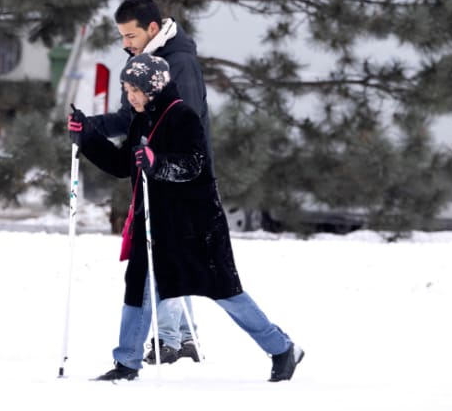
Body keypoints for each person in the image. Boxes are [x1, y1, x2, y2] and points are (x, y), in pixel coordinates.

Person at [72, 54, 304, 382]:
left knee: (225, 292)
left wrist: (158, 161)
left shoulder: (182, 116)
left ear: (152, 88)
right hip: (153, 220)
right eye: (126, 90)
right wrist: (89, 138)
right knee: (138, 287)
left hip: (195, 224)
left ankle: (282, 349)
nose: (130, 97)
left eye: (134, 90)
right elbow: (124, 165)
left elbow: (193, 164)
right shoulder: (141, 119)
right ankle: (127, 363)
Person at [76, 0, 210, 365]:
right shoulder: (143, 61)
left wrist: (164, 162)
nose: (125, 44)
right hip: (152, 168)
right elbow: (128, 118)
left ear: (152, 29)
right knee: (169, 252)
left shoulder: (178, 63)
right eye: (121, 37)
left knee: (160, 254)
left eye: (130, 36)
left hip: (178, 172)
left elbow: (185, 123)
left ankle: (169, 339)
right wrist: (90, 127)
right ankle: (183, 337)